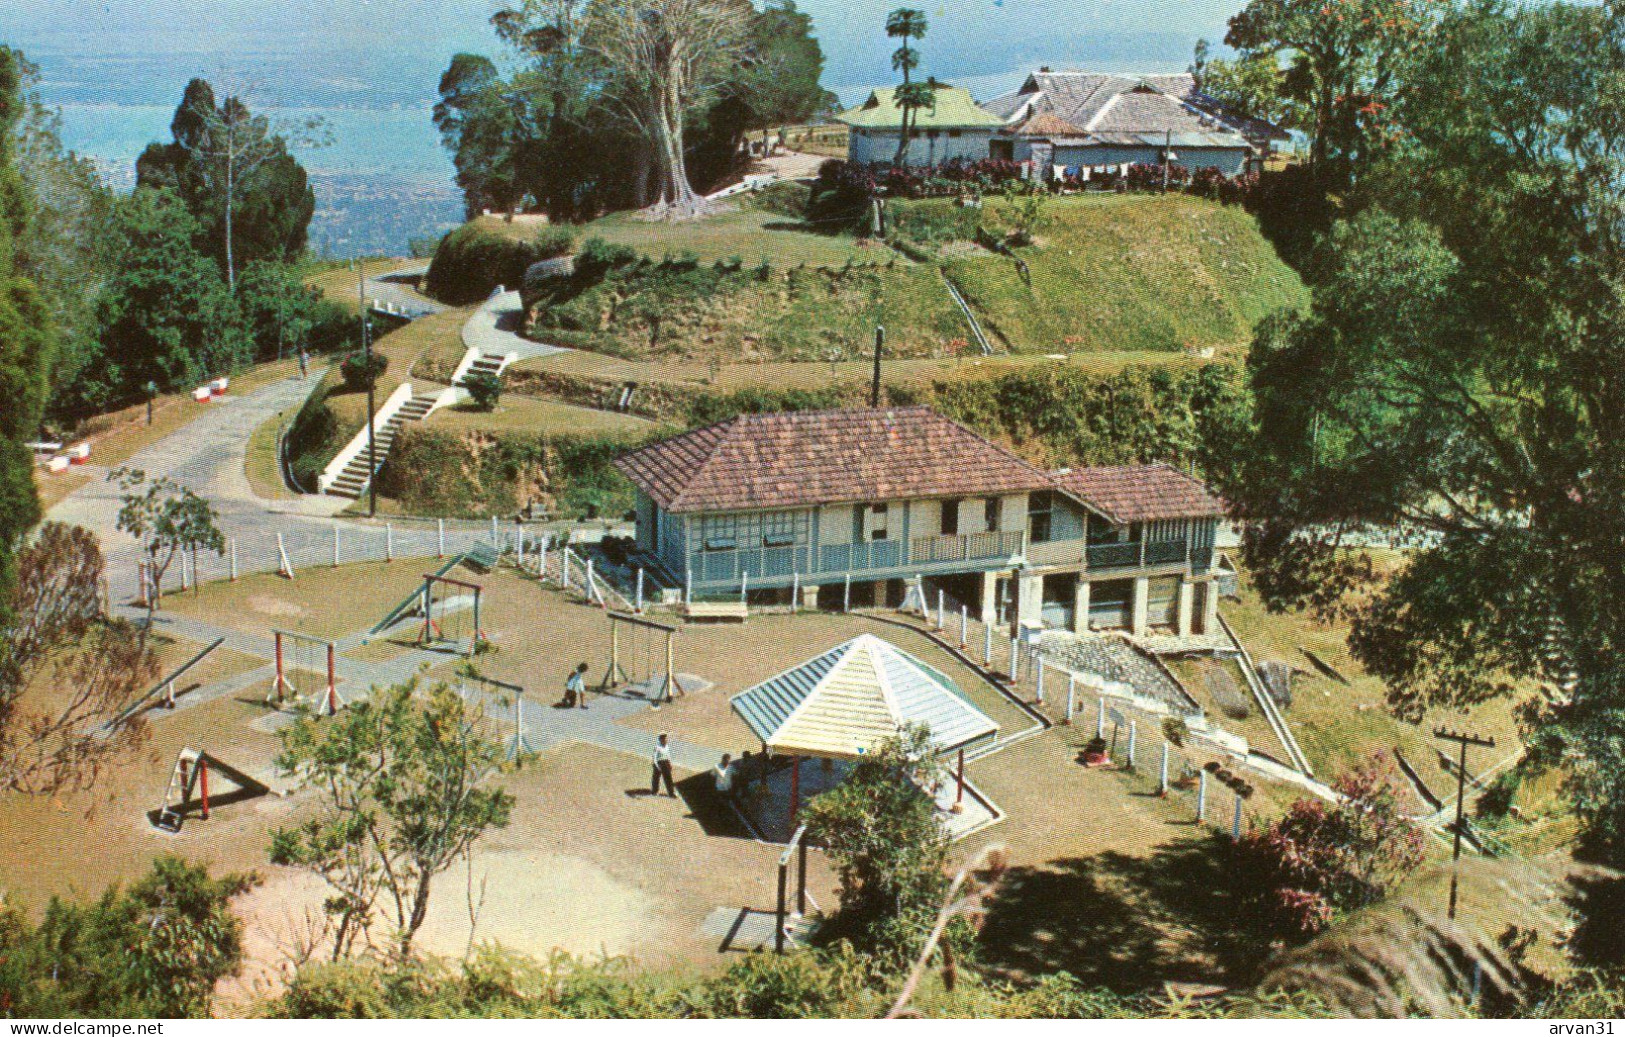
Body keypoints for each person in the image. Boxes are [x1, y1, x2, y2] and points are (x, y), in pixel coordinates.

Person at [651, 733, 676, 797]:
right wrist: (657, 766)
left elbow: (668, 755)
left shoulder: (667, 746)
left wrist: (670, 763)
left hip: (665, 762)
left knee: (668, 778)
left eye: (666, 739)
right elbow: (654, 757)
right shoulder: (657, 747)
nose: (666, 740)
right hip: (659, 762)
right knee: (656, 778)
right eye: (664, 739)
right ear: (661, 740)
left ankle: (671, 793)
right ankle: (654, 791)